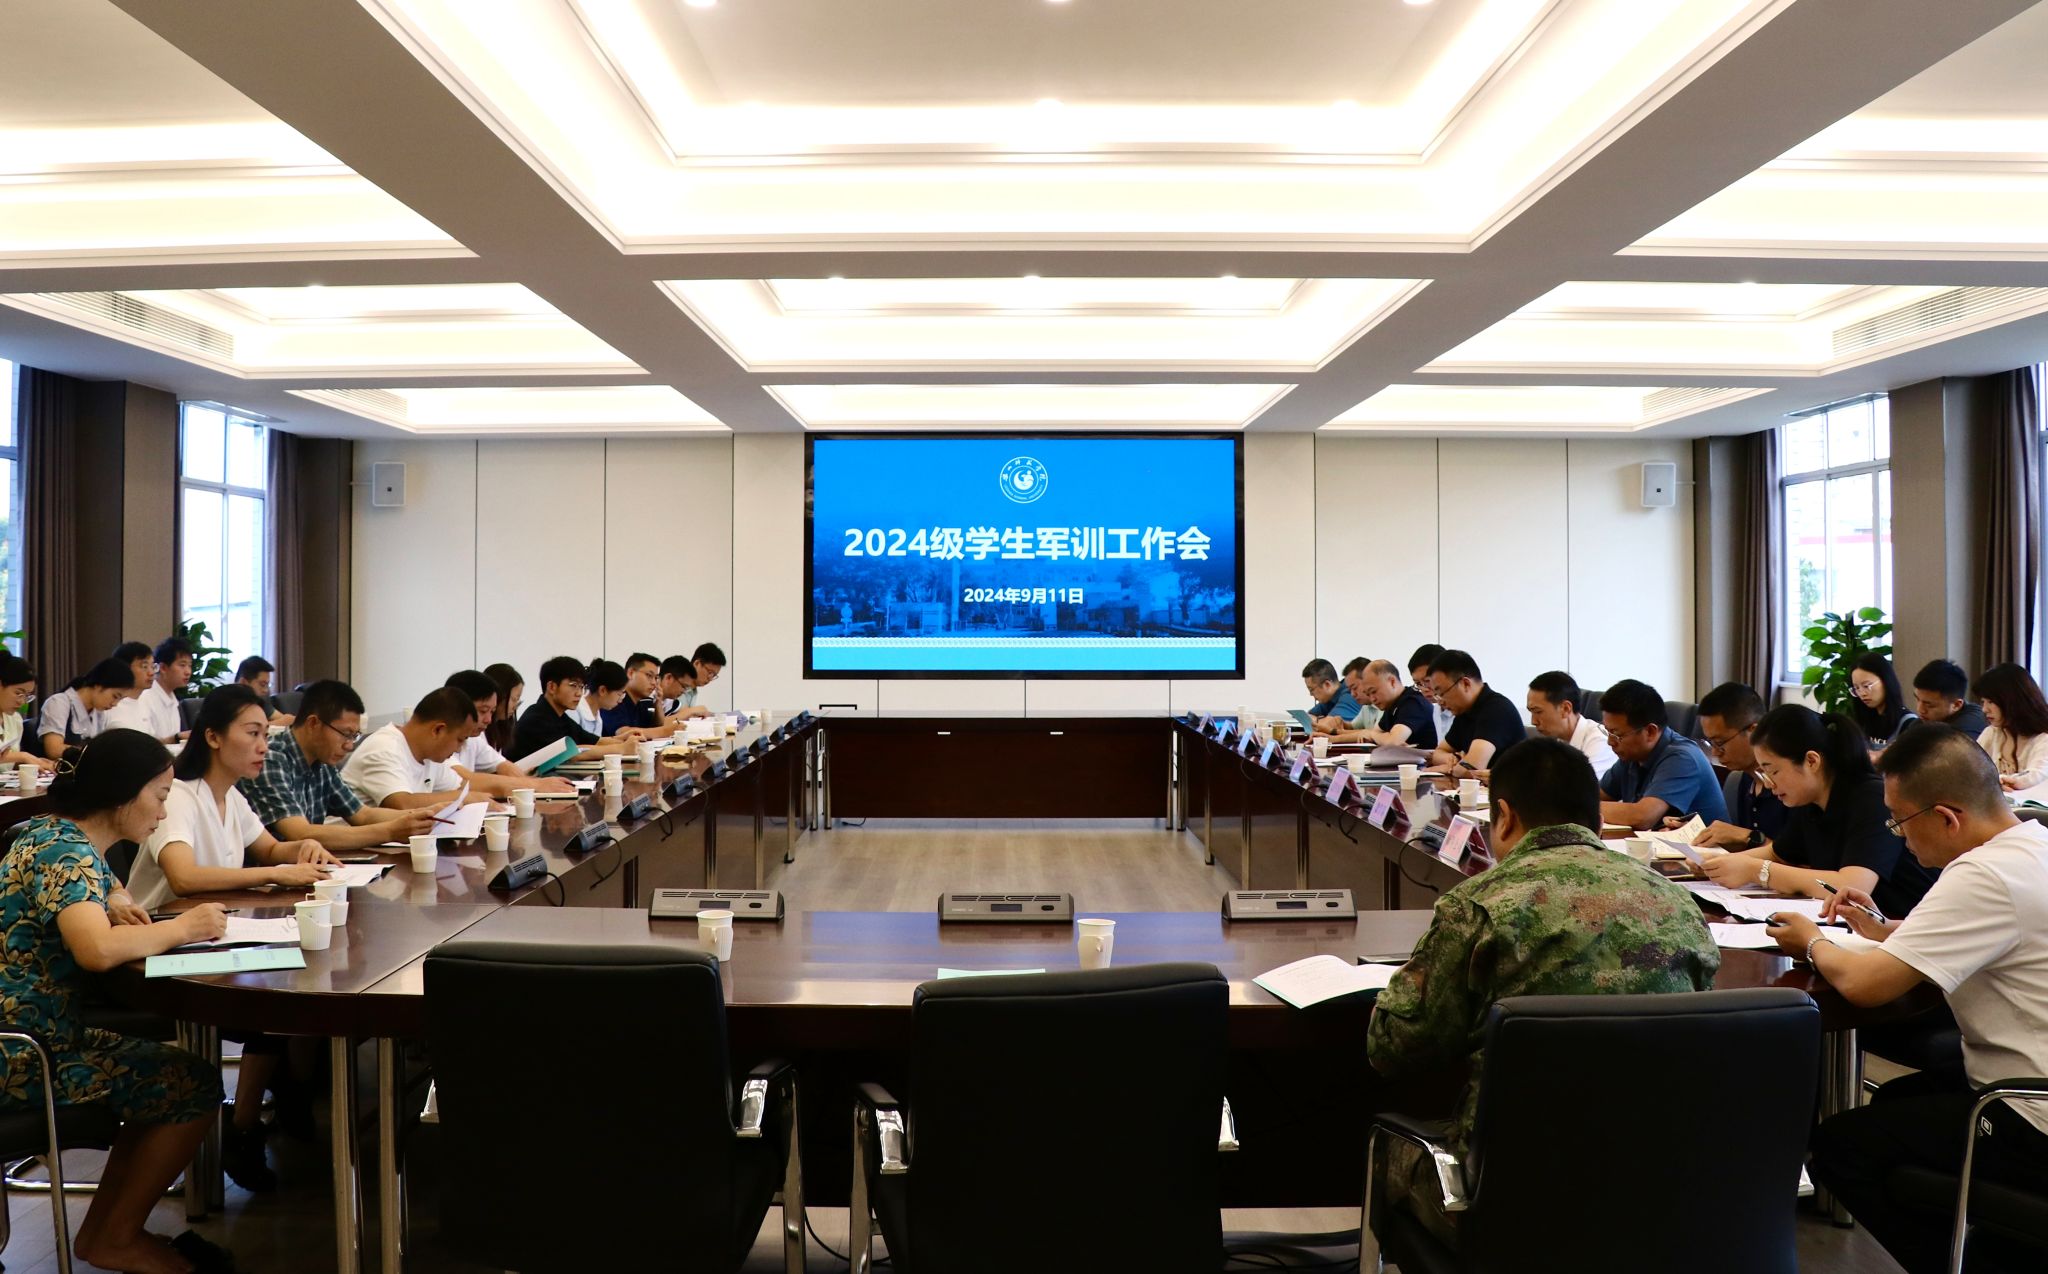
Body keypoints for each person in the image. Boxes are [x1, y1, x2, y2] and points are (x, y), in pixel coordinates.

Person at [1366, 737, 1719, 1251]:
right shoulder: (1680, 904)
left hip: (1511, 1196)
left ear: (1504, 817)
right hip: (1665, 1187)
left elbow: (1393, 1047)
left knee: (1385, 1156)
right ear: (1597, 817)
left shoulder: (1478, 905)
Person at [1767, 725, 2048, 1274]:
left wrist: (1813, 941)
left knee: (1843, 1148)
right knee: (1896, 1103)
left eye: (1899, 820)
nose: (1898, 835)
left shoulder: (1982, 873)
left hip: (2029, 1111)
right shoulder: (2030, 843)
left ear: (1946, 817)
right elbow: (1990, 931)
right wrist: (1884, 929)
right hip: (2026, 1080)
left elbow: (1866, 986)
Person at [0, 728, 239, 1274]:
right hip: (24, 1054)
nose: (163, 812)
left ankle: (112, 1231)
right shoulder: (66, 850)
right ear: (123, 794)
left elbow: (101, 886)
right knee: (191, 1084)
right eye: (159, 795)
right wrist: (185, 928)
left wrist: (116, 898)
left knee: (171, 1076)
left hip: (35, 1033)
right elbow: (97, 950)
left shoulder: (49, 831)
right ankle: (114, 1237)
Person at [128, 686, 341, 1191]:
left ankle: (276, 1101)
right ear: (213, 737)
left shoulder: (230, 795)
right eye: (253, 733)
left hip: (210, 938)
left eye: (267, 734)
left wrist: (301, 849)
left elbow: (268, 848)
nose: (264, 745)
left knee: (298, 979)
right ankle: (243, 1127)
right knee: (273, 998)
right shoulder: (181, 796)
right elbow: (183, 877)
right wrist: (275, 874)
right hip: (158, 949)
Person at [1695, 705, 1936, 919]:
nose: (1769, 783)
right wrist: (1718, 863)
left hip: (1905, 926)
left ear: (1811, 761)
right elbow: (1777, 854)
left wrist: (1755, 870)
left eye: (1773, 771)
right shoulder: (1811, 802)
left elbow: (1853, 885)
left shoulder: (1872, 798)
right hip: (1858, 926)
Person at [238, 679, 438, 851]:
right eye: (346, 734)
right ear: (313, 724)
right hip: (270, 874)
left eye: (354, 736)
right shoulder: (271, 760)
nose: (349, 745)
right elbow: (300, 833)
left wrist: (425, 815)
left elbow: (362, 814)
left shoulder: (323, 762)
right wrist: (390, 832)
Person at [1597, 678, 1728, 829]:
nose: (1610, 742)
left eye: (1617, 734)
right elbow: (1597, 795)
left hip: (1706, 844)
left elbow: (1642, 817)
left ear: (1650, 731)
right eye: (1607, 732)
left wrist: (1585, 806)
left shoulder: (1682, 758)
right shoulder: (1631, 755)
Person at [341, 687, 497, 809]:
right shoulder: (384, 748)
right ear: (438, 730)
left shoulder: (430, 755)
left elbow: (459, 787)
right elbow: (402, 804)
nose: (458, 749)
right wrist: (464, 798)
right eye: (459, 740)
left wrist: (476, 796)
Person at [442, 670, 575, 798]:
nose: (489, 719)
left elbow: (503, 765)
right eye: (483, 711)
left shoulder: (474, 739)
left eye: (491, 711)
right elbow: (463, 780)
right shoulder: (442, 740)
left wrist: (530, 782)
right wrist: (534, 785)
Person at [1690, 681, 1789, 849]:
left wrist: (1746, 836)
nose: (1715, 752)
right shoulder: (1745, 780)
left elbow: (1795, 858)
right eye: (1710, 743)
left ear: (1754, 731)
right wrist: (1698, 836)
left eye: (1720, 742)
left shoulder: (1790, 786)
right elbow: (1748, 849)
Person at [510, 656, 637, 759]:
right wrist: (621, 748)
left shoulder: (560, 716)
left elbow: (594, 741)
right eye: (573, 685)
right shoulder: (537, 718)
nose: (579, 693)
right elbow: (571, 754)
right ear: (552, 687)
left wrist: (622, 740)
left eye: (581, 687)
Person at [1425, 650, 1528, 775]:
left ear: (1465, 683)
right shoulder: (1464, 711)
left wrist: (1447, 768)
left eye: (1442, 693)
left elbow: (1471, 769)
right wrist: (1452, 760)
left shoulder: (1496, 709)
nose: (1440, 701)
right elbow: (1438, 753)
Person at [38, 657, 139, 760]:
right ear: (99, 685)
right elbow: (54, 750)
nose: (115, 704)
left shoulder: (98, 713)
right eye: (115, 696)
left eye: (120, 699)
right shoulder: (59, 703)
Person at [1971, 662, 2048, 791]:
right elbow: (1970, 768)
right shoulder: (1992, 733)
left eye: (1991, 702)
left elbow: (2038, 773)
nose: (1984, 709)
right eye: (1983, 702)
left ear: (2013, 700)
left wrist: (2002, 781)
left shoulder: (2043, 737)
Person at [1525, 670, 1615, 776]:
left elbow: (1583, 785)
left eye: (1538, 712)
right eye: (1531, 712)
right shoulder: (1554, 742)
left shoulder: (1599, 742)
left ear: (1566, 709)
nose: (1533, 721)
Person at [1331, 659, 1437, 748]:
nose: (1372, 699)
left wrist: (1372, 734)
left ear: (1392, 682)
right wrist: (1331, 739)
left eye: (1374, 691)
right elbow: (1373, 733)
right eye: (1368, 694)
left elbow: (1393, 741)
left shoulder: (1413, 702)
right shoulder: (1391, 705)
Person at [105, 635, 191, 742]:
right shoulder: (110, 706)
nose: (151, 673)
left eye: (152, 667)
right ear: (124, 668)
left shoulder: (142, 702)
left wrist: (177, 738)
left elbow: (151, 743)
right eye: (144, 667)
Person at [1848, 653, 1915, 751]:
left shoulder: (1909, 723)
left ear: (1886, 681)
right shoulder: (1863, 721)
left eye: (1866, 686)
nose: (1862, 693)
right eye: (1856, 688)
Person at [0, 652, 55, 773]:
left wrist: (32, 763)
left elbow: (5, 765)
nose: (22, 702)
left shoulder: (15, 719)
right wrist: (23, 756)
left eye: (27, 696)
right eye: (18, 693)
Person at [1910, 658, 1987, 739]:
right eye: (1918, 699)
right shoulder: (1921, 723)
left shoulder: (1966, 730)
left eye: (1929, 705)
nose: (1920, 709)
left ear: (1956, 705)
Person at [1311, 657, 1381, 736]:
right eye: (1350, 689)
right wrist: (1341, 722)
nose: (1352, 694)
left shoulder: (1383, 705)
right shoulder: (1366, 707)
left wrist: (1333, 732)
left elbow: (1373, 734)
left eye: (1355, 688)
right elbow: (1353, 727)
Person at [602, 653, 666, 736]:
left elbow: (656, 727)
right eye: (649, 675)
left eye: (656, 678)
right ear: (631, 673)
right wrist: (667, 731)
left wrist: (658, 703)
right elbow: (623, 732)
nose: (654, 682)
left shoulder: (642, 702)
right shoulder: (615, 698)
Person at [1408, 644, 1454, 744]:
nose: (1424, 689)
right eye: (1418, 683)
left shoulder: (1463, 709)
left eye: (1427, 681)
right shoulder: (1436, 709)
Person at [235, 655, 295, 727]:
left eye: (267, 685)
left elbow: (285, 719)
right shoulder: (227, 703)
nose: (266, 690)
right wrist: (279, 722)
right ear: (243, 682)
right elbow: (242, 729)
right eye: (262, 685)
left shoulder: (259, 699)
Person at [1300, 659, 1362, 728]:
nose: (1310, 694)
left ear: (1327, 684)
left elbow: (1329, 725)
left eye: (1311, 689)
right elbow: (1308, 715)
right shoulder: (1329, 699)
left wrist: (1316, 720)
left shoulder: (1349, 695)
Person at [482, 662, 525, 755]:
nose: (515, 706)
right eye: (514, 699)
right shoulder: (478, 731)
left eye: (518, 700)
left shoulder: (500, 728)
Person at [655, 655, 708, 721]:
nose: (684, 691)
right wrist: (691, 711)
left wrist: (691, 713)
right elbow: (655, 725)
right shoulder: (648, 695)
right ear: (669, 678)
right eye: (683, 686)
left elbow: (677, 718)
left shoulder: (673, 703)